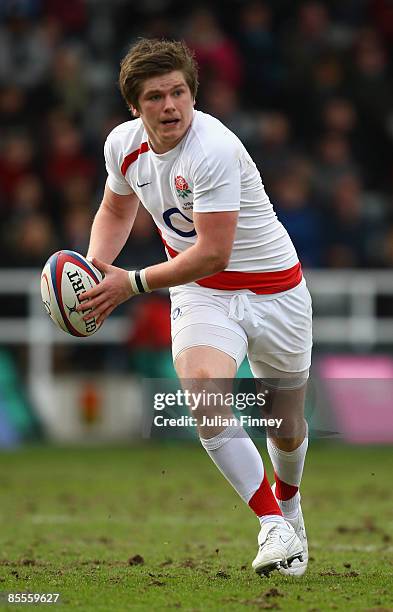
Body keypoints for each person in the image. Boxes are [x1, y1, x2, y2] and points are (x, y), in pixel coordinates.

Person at [78, 38, 312, 577]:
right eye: (156, 97)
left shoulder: (214, 148)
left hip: (275, 291)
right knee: (205, 396)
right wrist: (95, 271)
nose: (171, 106)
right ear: (134, 108)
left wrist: (130, 283)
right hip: (203, 292)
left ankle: (291, 502)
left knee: (287, 424)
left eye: (179, 92)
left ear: (193, 94)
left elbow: (213, 251)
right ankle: (273, 525)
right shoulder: (122, 146)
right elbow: (115, 209)